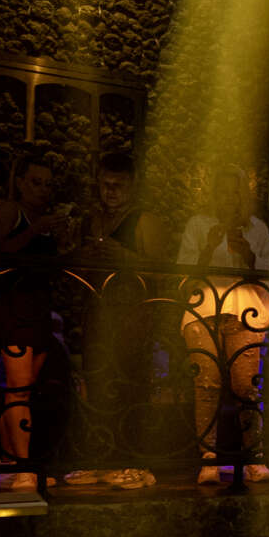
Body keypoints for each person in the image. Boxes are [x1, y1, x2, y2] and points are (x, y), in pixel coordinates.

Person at [179, 165, 269, 486]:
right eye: (222, 191)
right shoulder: (198, 225)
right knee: (206, 386)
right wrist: (208, 248)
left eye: (234, 192)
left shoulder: (257, 229)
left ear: (243, 196)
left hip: (246, 311)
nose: (228, 198)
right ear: (214, 195)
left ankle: (253, 457)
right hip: (204, 311)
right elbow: (182, 272)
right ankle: (209, 459)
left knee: (247, 387)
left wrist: (249, 256)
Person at [65, 152, 160, 490]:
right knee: (96, 384)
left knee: (130, 386)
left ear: (132, 186)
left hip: (132, 317)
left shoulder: (145, 221)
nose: (111, 191)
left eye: (118, 185)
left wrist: (125, 257)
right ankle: (99, 458)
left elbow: (160, 270)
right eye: (105, 185)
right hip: (98, 315)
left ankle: (133, 461)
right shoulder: (91, 221)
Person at [0, 154, 72, 491]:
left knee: (25, 387)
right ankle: (20, 466)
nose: (43, 190)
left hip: (38, 306)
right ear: (20, 182)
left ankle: (12, 462)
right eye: (36, 182)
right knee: (18, 387)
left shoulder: (44, 219)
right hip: (15, 305)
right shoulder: (11, 211)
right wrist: (35, 229)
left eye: (48, 184)